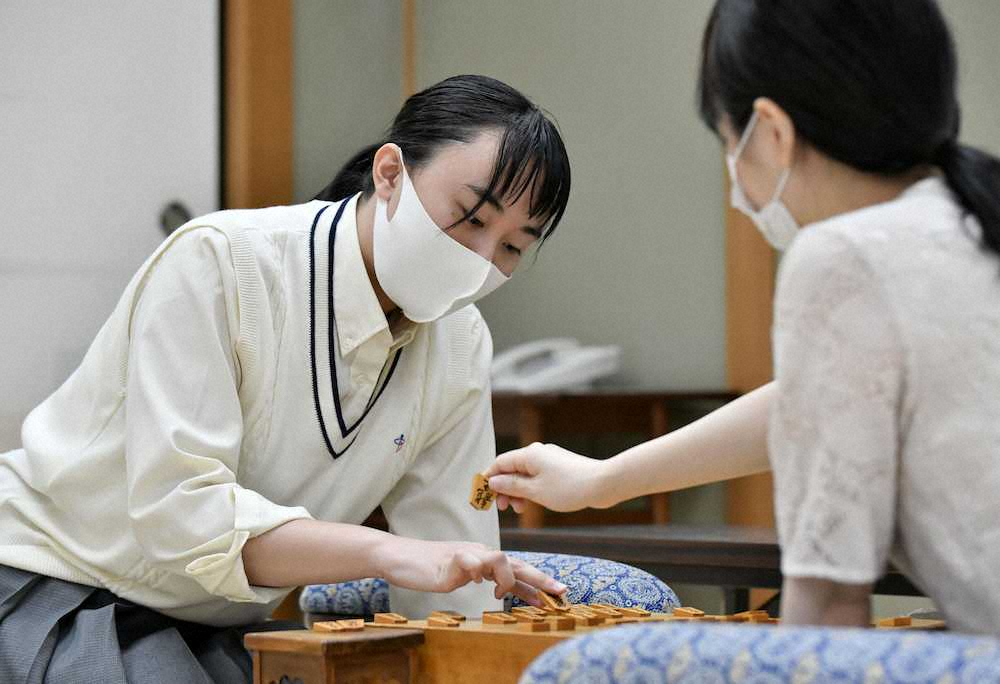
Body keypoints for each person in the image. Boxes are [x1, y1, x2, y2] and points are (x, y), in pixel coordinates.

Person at [0, 74, 570, 682]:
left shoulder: (459, 342)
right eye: (470, 217)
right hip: (59, 590)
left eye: (513, 246)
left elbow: (453, 569)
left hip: (211, 628)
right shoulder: (220, 260)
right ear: (390, 173)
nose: (480, 259)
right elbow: (183, 519)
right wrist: (387, 553)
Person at [486, 0, 1000, 635]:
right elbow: (815, 400)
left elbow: (829, 610)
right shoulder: (968, 222)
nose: (737, 184)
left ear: (772, 131)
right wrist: (602, 479)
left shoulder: (843, 257)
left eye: (730, 146)